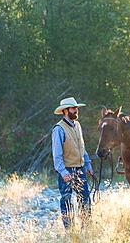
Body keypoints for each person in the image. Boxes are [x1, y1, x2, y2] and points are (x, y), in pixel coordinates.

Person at [52, 97, 94, 230]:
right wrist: (63, 172)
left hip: (80, 169)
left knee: (85, 199)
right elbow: (57, 154)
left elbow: (82, 148)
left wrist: (87, 165)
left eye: (76, 108)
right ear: (65, 111)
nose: (76, 110)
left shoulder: (78, 125)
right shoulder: (58, 129)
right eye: (73, 108)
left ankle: (86, 228)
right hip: (67, 171)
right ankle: (69, 231)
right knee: (66, 201)